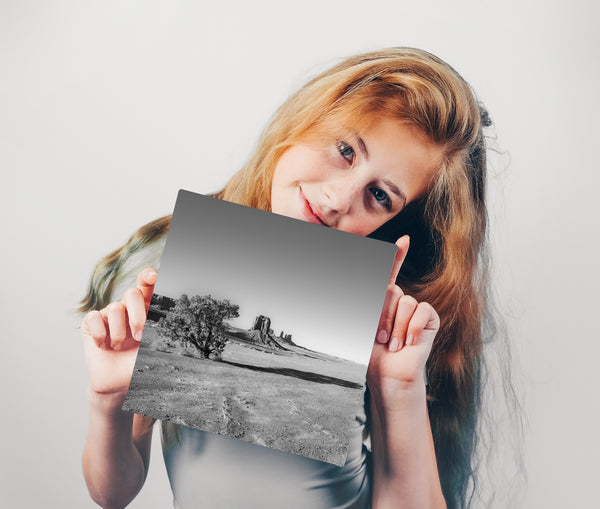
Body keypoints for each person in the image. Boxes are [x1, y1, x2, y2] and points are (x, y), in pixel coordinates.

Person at [78, 47, 510, 509]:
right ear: (304, 119)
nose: (338, 198)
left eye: (380, 195)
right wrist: (106, 399)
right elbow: (114, 492)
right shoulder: (175, 263)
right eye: (345, 150)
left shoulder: (394, 320)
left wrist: (398, 385)